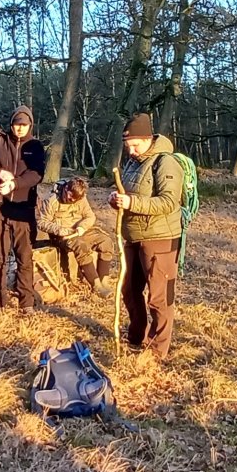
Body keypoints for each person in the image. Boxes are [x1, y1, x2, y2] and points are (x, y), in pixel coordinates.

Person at [109, 113, 183, 363]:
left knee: (158, 297)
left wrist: (132, 201)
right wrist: (118, 200)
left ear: (149, 139)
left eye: (135, 145)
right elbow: (129, 195)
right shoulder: (132, 162)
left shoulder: (166, 162)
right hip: (132, 236)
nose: (130, 150)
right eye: (127, 145)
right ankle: (136, 335)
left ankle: (156, 349)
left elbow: (169, 201)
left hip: (161, 238)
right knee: (129, 290)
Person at [0, 105, 46, 311]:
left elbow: (37, 174)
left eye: (24, 125)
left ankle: (27, 302)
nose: (20, 129)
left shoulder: (35, 146)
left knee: (25, 257)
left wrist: (15, 183)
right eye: (17, 125)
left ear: (30, 125)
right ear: (11, 125)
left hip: (23, 209)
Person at [37, 176, 114, 296]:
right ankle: (96, 285)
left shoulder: (81, 198)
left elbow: (90, 216)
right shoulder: (52, 200)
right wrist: (60, 230)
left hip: (80, 230)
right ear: (66, 188)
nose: (72, 200)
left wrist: (82, 227)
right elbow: (42, 222)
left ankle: (104, 281)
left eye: (75, 199)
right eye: (70, 196)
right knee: (80, 246)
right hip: (62, 236)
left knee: (106, 241)